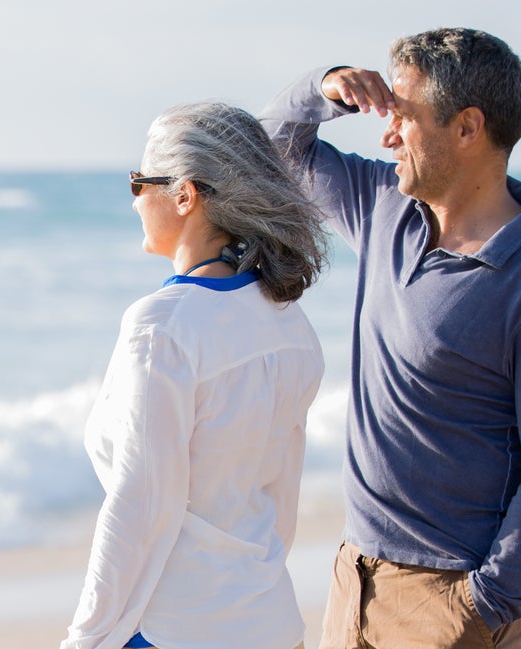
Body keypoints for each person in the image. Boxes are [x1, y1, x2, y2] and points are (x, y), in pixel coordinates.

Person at [258, 28, 521, 649]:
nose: (386, 136)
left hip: (451, 600)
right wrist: (323, 86)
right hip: (354, 575)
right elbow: (271, 150)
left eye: (403, 118)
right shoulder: (383, 205)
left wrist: (489, 604)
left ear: (467, 129)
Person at [61, 102, 327, 649]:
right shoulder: (289, 322)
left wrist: (85, 637)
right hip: (272, 620)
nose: (134, 201)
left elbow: (142, 503)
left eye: (139, 182)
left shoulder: (162, 326)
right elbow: (282, 499)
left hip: (176, 629)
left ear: (184, 195)